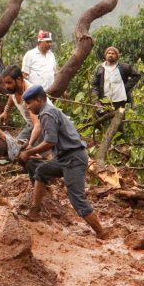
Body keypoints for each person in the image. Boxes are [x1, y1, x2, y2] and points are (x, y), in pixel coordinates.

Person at [17, 85, 109, 239]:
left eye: (29, 103)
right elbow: (54, 142)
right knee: (41, 171)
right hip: (65, 157)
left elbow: (50, 142)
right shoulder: (48, 112)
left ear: (39, 100)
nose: (27, 106)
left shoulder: (47, 113)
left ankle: (101, 232)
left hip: (73, 159)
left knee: (77, 199)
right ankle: (34, 211)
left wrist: (28, 152)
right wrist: (36, 151)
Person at [0, 65, 45, 148]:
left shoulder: (29, 94)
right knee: (14, 147)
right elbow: (11, 97)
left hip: (44, 126)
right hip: (31, 125)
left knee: (31, 154)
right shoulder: (14, 89)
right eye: (5, 83)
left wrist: (30, 145)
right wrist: (5, 112)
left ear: (19, 79)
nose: (6, 86)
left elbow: (38, 124)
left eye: (9, 83)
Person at [91, 46, 141, 112]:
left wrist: (125, 87)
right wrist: (96, 101)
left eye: (113, 53)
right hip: (105, 101)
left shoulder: (124, 67)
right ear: (105, 55)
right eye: (108, 53)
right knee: (103, 119)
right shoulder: (100, 68)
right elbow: (95, 85)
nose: (110, 55)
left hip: (121, 101)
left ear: (117, 56)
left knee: (119, 120)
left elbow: (137, 75)